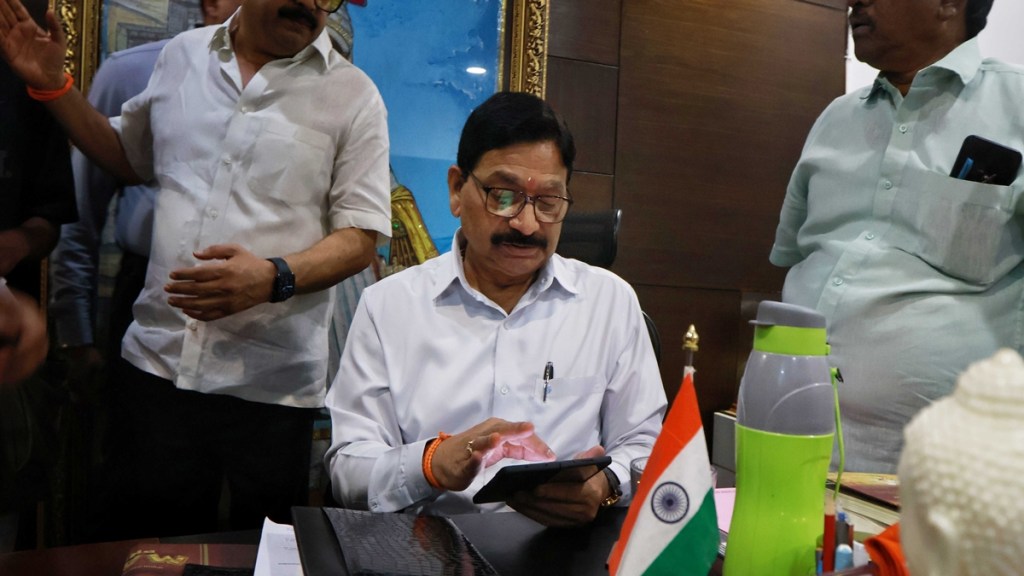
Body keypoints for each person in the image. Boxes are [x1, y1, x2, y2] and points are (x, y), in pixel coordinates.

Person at [0, 0, 391, 539]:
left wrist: (272, 277)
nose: (311, 6)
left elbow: (360, 237)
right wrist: (53, 86)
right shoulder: (183, 56)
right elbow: (128, 155)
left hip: (270, 391)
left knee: (256, 556)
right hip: (157, 368)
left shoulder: (354, 94)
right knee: (147, 551)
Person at [325, 91, 666, 527]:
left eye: (548, 202)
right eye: (503, 196)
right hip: (431, 542)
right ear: (456, 189)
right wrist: (430, 463)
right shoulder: (388, 306)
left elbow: (645, 445)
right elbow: (348, 467)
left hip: (565, 545)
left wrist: (606, 486)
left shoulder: (609, 302)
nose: (526, 224)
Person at [769, 0, 1020, 473]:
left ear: (949, 4)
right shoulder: (835, 119)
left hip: (948, 470)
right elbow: (795, 257)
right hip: (791, 437)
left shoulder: (1017, 104)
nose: (855, 2)